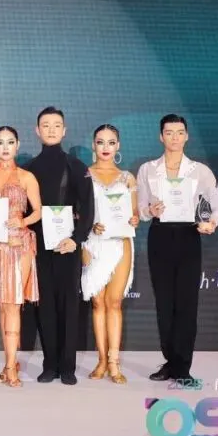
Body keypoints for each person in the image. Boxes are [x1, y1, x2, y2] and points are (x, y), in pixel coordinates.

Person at [137, 114, 218, 383]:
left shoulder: (200, 171)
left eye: (180, 132)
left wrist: (212, 222)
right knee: (164, 304)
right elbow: (140, 209)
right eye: (169, 132)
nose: (175, 137)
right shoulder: (147, 169)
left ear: (187, 136)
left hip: (189, 236)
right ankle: (170, 361)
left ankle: (183, 367)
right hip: (160, 236)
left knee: (187, 304)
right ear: (161, 136)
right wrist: (150, 210)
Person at [24, 107, 94, 385]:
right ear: (37, 130)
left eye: (56, 125)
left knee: (68, 306)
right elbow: (23, 209)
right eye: (46, 125)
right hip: (38, 247)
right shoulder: (28, 169)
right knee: (45, 307)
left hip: (67, 245)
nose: (51, 130)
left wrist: (76, 239)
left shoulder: (76, 166)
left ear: (64, 131)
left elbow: (88, 208)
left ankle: (68, 367)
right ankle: (49, 365)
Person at [0, 125, 42, 389]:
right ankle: (8, 363)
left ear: (17, 145)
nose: (5, 147)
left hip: (18, 245)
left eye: (10, 142)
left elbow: (38, 212)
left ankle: (12, 367)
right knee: (3, 306)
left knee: (12, 304)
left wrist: (22, 221)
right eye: (0, 142)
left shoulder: (26, 177)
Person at [82, 124, 139, 384]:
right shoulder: (84, 175)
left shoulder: (127, 178)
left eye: (111, 142)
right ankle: (101, 361)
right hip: (93, 243)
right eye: (100, 142)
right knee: (97, 302)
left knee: (114, 302)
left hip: (120, 243)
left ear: (118, 146)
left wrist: (135, 219)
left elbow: (134, 214)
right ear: (93, 145)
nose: (106, 147)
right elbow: (78, 212)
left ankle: (114, 363)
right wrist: (90, 225)